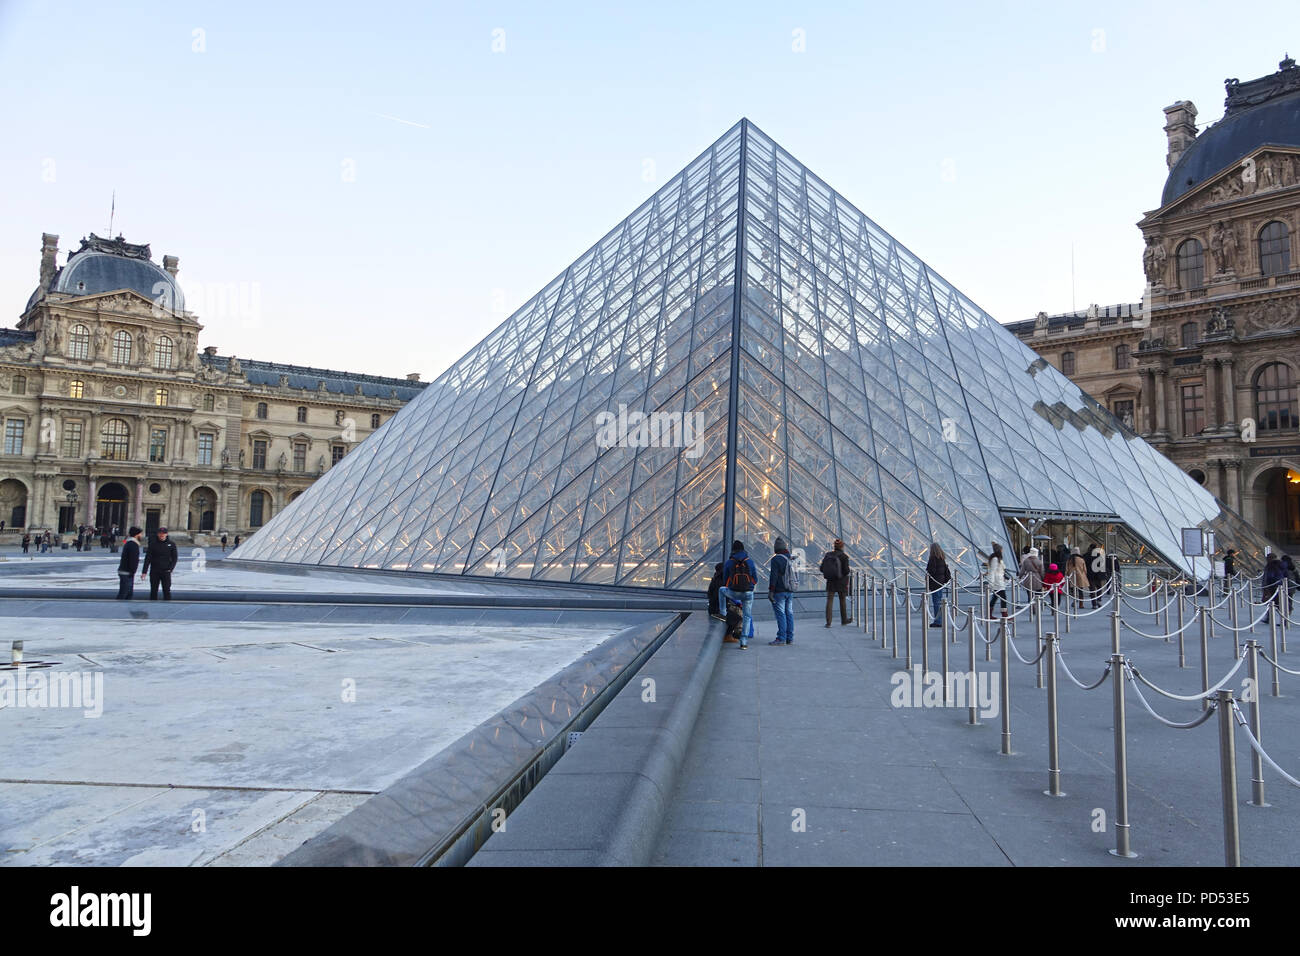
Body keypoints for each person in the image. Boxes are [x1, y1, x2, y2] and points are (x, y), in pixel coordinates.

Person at [721, 541, 758, 650]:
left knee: (721, 590)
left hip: (734, 592)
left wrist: (731, 587)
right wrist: (750, 586)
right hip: (748, 593)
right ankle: (744, 642)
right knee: (746, 616)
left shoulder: (729, 562)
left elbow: (725, 580)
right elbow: (755, 579)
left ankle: (722, 611)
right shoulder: (750, 562)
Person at [768, 536, 798, 645]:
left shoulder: (776, 559)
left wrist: (771, 591)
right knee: (789, 613)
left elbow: (774, 576)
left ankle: (781, 638)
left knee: (781, 614)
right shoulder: (790, 558)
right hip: (790, 590)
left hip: (779, 591)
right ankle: (789, 637)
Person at [820, 539, 852, 628]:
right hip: (841, 582)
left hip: (830, 581)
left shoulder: (828, 555)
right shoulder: (844, 557)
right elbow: (846, 570)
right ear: (842, 546)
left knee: (829, 601)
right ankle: (844, 620)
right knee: (842, 601)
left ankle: (828, 622)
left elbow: (822, 568)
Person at [140, 527, 179, 601]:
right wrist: (144, 572)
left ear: (166, 534)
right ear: (157, 534)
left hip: (166, 571)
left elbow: (175, 558)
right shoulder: (153, 545)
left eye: (163, 533)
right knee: (153, 590)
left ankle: (167, 606)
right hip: (155, 570)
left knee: (166, 590)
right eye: (160, 533)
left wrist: (170, 569)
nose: (162, 535)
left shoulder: (171, 544)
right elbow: (147, 559)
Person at [925, 542, 950, 627]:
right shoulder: (942, 558)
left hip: (935, 583)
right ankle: (940, 619)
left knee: (936, 602)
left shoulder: (933, 559)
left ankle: (938, 621)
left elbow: (932, 571)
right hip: (941, 583)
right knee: (939, 601)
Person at [117, 527, 143, 599]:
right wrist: (132, 571)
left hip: (125, 571)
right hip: (127, 572)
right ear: (136, 534)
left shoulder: (129, 543)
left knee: (126, 593)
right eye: (140, 534)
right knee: (125, 594)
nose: (141, 535)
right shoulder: (133, 544)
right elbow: (133, 559)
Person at [1019, 546, 1044, 613]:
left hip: (1028, 578)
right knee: (1038, 594)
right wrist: (1043, 579)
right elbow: (1042, 572)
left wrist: (1020, 577)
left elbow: (1022, 570)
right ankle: (1037, 607)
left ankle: (1032, 607)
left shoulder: (1026, 561)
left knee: (1030, 594)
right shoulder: (1039, 561)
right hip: (1037, 578)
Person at [987, 543, 1009, 616]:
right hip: (997, 582)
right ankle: (1004, 614)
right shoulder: (995, 559)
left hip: (999, 581)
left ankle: (989, 613)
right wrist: (991, 583)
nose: (1002, 550)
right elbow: (992, 571)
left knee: (995, 597)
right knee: (1003, 597)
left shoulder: (996, 558)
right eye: (1001, 549)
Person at [1263, 554, 1287, 623]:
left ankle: (1283, 619)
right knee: (1278, 602)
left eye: (1267, 558)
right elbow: (1285, 575)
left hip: (1272, 586)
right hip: (1281, 585)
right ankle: (1270, 617)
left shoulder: (1271, 565)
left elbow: (1270, 576)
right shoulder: (1281, 565)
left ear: (1270, 558)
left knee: (1274, 602)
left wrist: (1266, 586)